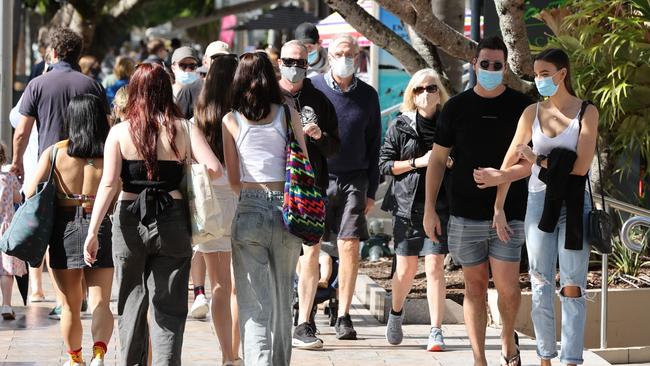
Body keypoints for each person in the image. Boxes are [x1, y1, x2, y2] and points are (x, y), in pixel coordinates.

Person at [82, 62, 223, 365]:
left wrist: (93, 232)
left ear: (135, 91)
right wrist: (183, 168)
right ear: (166, 90)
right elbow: (214, 168)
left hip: (129, 218)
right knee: (169, 307)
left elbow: (108, 184)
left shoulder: (120, 132)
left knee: (130, 300)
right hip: (173, 217)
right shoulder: (184, 127)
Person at [474, 48, 598, 366]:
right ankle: (545, 357)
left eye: (545, 73)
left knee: (572, 284)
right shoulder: (532, 113)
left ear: (562, 74)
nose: (539, 79)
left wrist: (537, 160)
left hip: (574, 203)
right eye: (536, 74)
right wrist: (498, 204)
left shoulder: (586, 112)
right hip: (539, 202)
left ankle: (570, 359)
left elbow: (581, 167)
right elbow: (511, 160)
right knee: (540, 282)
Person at [422, 36, 531, 366]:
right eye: (485, 64)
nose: (491, 70)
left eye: (498, 66)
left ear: (506, 68)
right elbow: (438, 160)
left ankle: (506, 339)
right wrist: (429, 208)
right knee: (475, 287)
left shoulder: (520, 107)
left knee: (509, 288)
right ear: (475, 65)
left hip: (509, 214)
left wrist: (502, 178)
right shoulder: (456, 107)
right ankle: (479, 358)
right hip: (465, 215)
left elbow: (529, 162)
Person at [222, 51, 308, 366]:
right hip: (285, 206)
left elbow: (233, 177)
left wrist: (250, 199)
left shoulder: (230, 120)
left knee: (253, 301)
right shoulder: (287, 113)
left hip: (249, 207)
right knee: (283, 296)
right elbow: (304, 164)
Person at [25, 94, 114, 366]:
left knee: (69, 306)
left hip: (64, 229)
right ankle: (99, 353)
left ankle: (75, 360)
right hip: (102, 226)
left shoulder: (55, 152)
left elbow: (30, 193)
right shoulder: (109, 152)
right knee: (101, 302)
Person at [311, 34, 381, 340]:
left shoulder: (368, 95)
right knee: (309, 247)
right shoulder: (313, 87)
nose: (345, 58)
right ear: (328, 53)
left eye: (350, 54)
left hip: (354, 178)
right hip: (318, 177)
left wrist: (372, 190)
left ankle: (344, 314)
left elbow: (374, 144)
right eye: (339, 53)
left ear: (359, 57)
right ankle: (307, 309)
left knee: (350, 245)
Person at [379, 68, 450, 351]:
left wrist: (451, 162)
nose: (425, 94)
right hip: (407, 207)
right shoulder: (400, 125)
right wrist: (417, 162)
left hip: (441, 204)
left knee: (434, 266)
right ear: (411, 94)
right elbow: (384, 164)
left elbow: (463, 157)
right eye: (419, 89)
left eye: (431, 88)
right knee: (406, 269)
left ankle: (436, 330)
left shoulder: (450, 123)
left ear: (439, 92)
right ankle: (396, 313)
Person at [276, 40, 340, 350]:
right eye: (289, 60)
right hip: (275, 187)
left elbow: (334, 147)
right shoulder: (268, 96)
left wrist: (320, 136)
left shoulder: (319, 99)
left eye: (300, 61)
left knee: (311, 253)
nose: (295, 66)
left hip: (312, 186)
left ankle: (304, 321)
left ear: (308, 64)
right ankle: (281, 315)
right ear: (279, 61)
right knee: (280, 253)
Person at [192, 52, 242, 366]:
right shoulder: (243, 115)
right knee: (240, 286)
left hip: (209, 205)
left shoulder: (198, 117)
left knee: (219, 286)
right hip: (241, 201)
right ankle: (236, 353)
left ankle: (227, 354)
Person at [12, 27, 107, 177]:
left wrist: (17, 162)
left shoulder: (36, 85)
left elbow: (22, 132)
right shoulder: (94, 86)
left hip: (49, 167)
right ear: (78, 54)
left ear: (54, 52)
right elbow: (106, 127)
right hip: (87, 170)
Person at [0, 143, 26, 320]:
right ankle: (6, 305)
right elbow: (18, 198)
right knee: (6, 271)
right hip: (6, 229)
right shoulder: (9, 178)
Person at [177, 40, 232, 119]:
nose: (220, 62)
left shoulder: (237, 89)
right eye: (215, 58)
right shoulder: (189, 91)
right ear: (205, 61)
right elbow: (179, 125)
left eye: (225, 58)